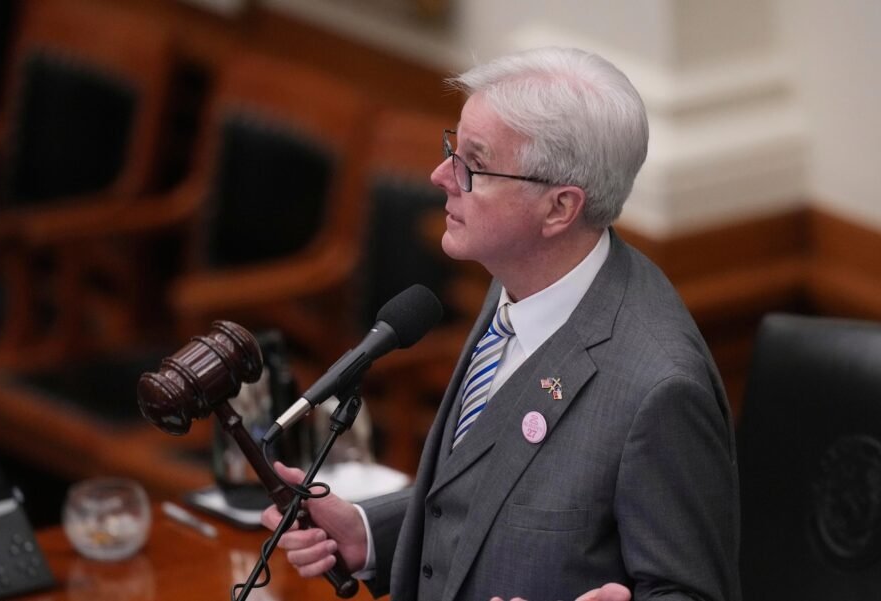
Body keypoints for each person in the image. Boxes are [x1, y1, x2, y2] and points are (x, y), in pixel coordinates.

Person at [263, 46, 742, 601]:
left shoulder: (661, 388)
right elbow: (489, 487)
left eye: (473, 164)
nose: (440, 175)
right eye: (452, 148)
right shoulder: (521, 274)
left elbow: (693, 592)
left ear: (559, 208)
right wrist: (369, 533)